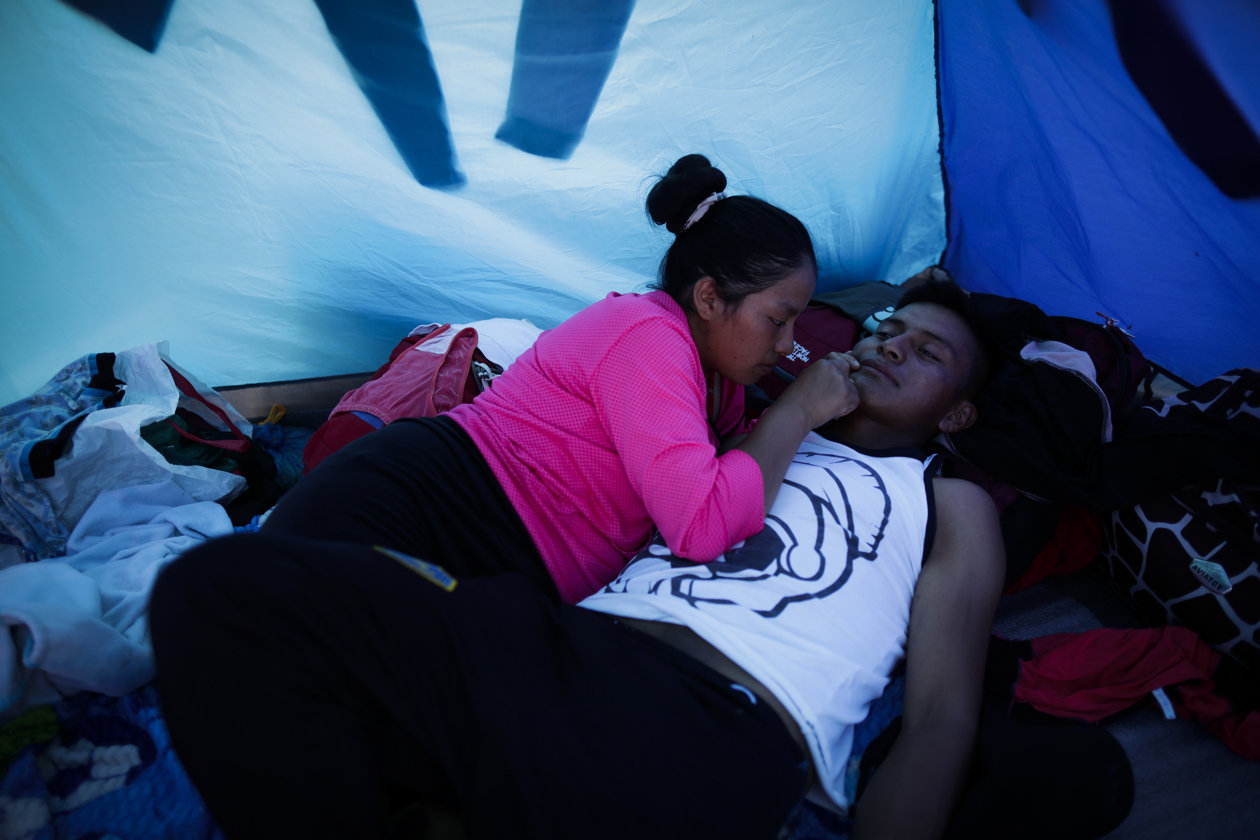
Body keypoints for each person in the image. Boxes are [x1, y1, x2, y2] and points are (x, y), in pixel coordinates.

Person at [150, 280, 1006, 840]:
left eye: (926, 351)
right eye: (887, 327)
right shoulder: (745, 431)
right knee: (221, 589)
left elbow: (940, 719)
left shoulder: (944, 503)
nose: (890, 344)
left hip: (711, 724)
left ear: (959, 416)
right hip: (551, 642)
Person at [260, 153, 856, 603]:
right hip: (425, 509)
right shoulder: (647, 336)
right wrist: (797, 410)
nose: (787, 345)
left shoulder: (717, 376)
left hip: (495, 551)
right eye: (778, 320)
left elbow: (729, 464)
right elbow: (700, 523)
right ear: (707, 296)